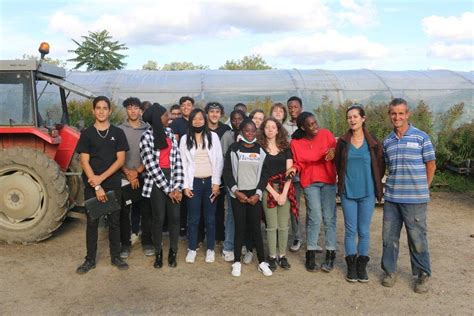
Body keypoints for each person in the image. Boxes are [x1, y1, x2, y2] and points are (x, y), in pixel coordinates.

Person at [381, 98, 436, 294]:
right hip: (392, 199)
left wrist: (423, 188)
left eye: (401, 113)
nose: (397, 117)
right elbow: (388, 167)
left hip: (415, 200)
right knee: (389, 238)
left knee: (417, 238)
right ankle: (389, 272)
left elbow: (431, 164)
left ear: (408, 114)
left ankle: (422, 274)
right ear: (390, 115)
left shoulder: (422, 137)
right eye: (393, 113)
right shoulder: (387, 141)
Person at [76, 96, 129, 274]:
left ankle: (116, 256)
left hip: (113, 182)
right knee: (92, 222)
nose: (101, 111)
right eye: (98, 108)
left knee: (115, 221)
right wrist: (97, 185)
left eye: (104, 108)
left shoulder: (118, 133)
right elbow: (84, 161)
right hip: (92, 184)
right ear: (93, 111)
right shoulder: (87, 134)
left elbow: (120, 160)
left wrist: (102, 179)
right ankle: (90, 259)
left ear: (109, 111)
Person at [335, 104, 385, 283]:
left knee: (363, 230)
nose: (352, 120)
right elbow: (337, 164)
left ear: (363, 119)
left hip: (367, 193)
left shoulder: (373, 143)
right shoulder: (342, 142)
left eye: (355, 116)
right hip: (348, 192)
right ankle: (351, 267)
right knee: (350, 231)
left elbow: (380, 166)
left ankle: (361, 267)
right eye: (349, 117)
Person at [223, 119, 272, 277]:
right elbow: (227, 173)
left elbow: (265, 175)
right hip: (238, 195)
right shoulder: (234, 149)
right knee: (240, 228)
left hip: (254, 196)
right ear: (241, 132)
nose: (250, 134)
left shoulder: (261, 150)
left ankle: (262, 262)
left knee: (256, 229)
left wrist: (258, 194)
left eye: (253, 131)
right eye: (246, 131)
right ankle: (236, 262)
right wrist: (236, 192)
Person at [290, 112, 337, 272]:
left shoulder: (326, 134)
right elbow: (298, 163)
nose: (315, 126)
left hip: (328, 181)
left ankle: (331, 254)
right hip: (310, 182)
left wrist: (334, 152)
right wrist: (293, 169)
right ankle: (310, 253)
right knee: (315, 216)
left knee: (330, 218)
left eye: (315, 122)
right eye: (310, 124)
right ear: (303, 127)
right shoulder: (296, 143)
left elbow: (336, 150)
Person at [140, 103, 184, 269]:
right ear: (158, 119)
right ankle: (158, 253)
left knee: (175, 218)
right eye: (166, 115)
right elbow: (151, 167)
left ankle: (173, 252)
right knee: (158, 219)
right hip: (156, 182)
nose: (169, 117)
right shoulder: (146, 138)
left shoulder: (170, 133)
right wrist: (168, 190)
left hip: (173, 178)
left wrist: (178, 187)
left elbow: (177, 160)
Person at [180, 109, 223, 263]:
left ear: (205, 120)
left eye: (200, 119)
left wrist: (216, 183)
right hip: (194, 184)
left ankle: (210, 248)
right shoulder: (185, 139)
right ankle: (192, 248)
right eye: (195, 119)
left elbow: (219, 160)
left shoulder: (213, 137)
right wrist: (185, 186)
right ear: (190, 121)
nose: (198, 121)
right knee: (193, 218)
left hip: (210, 183)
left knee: (210, 218)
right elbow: (183, 164)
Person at [258, 117, 297, 272]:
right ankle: (272, 256)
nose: (270, 130)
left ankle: (282, 255)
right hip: (268, 190)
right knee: (271, 226)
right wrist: (274, 193)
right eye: (267, 127)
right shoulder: (259, 148)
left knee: (283, 226)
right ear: (263, 129)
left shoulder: (285, 148)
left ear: (278, 129)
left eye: (273, 127)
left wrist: (284, 193)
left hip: (284, 189)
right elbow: (260, 174)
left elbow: (289, 171)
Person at [118, 97, 153, 259]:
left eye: (136, 108)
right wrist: (128, 173)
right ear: (126, 110)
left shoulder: (148, 129)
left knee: (146, 211)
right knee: (124, 211)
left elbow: (152, 155)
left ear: (141, 110)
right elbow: (115, 155)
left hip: (144, 175)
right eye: (130, 107)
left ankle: (147, 241)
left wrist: (138, 172)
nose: (133, 111)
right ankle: (125, 243)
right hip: (124, 176)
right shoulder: (118, 130)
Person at [220, 109, 246, 261]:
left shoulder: (250, 135)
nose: (237, 122)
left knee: (245, 215)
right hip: (232, 183)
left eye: (240, 118)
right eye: (234, 119)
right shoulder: (228, 136)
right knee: (231, 214)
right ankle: (228, 246)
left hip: (248, 182)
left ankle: (242, 243)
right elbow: (224, 159)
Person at [205, 102, 231, 243]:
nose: (214, 114)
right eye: (211, 111)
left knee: (219, 206)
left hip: (220, 174)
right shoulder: (202, 128)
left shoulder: (225, 129)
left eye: (217, 112)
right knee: (205, 205)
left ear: (221, 114)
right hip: (204, 172)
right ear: (207, 114)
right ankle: (203, 234)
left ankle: (219, 235)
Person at [170, 96, 194, 238]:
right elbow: (174, 144)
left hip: (195, 165)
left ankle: (193, 227)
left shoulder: (197, 121)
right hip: (180, 164)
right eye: (183, 105)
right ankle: (182, 227)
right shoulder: (176, 123)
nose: (186, 107)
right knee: (182, 197)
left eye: (189, 104)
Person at [284, 96, 305, 252]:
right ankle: (297, 236)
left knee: (313, 208)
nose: (293, 110)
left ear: (301, 108)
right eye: (290, 107)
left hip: (309, 173)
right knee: (294, 206)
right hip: (294, 176)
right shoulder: (284, 128)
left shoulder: (308, 124)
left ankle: (312, 237)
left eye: (295, 107)